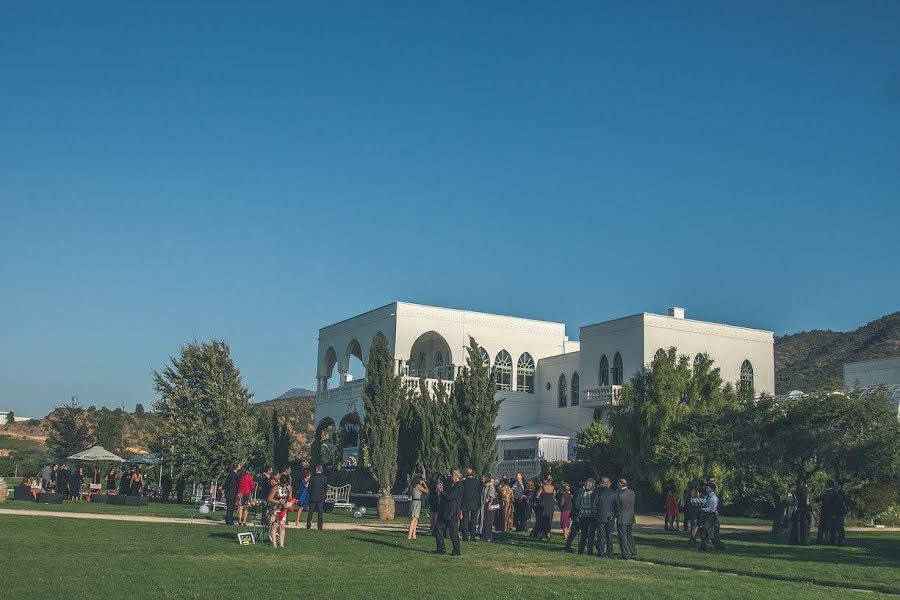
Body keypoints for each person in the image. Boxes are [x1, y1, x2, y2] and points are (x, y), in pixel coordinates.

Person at [434, 469, 463, 556]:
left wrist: (441, 491)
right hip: (447, 511)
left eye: (453, 476)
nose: (451, 477)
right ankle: (441, 548)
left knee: (453, 532)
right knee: (439, 527)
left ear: (457, 476)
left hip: (452, 512)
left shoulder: (459, 486)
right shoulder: (454, 485)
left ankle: (456, 550)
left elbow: (450, 497)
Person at [265, 473, 293, 548]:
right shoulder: (276, 487)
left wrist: (290, 492)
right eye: (283, 483)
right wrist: (278, 502)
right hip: (275, 508)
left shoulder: (288, 487)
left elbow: (290, 498)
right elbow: (269, 498)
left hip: (283, 509)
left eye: (286, 483)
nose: (284, 485)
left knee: (282, 526)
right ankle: (274, 543)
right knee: (275, 525)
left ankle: (281, 543)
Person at [593, 476, 617, 559]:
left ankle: (601, 552)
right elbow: (616, 506)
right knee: (609, 536)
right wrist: (613, 514)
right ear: (608, 483)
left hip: (600, 516)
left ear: (602, 483)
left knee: (601, 536)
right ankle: (610, 553)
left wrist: (595, 514)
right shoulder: (614, 493)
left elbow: (594, 505)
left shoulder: (597, 492)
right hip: (610, 517)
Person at [571, 479, 596, 554]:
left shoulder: (582, 494)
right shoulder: (593, 494)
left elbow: (577, 504)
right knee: (591, 534)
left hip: (583, 514)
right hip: (591, 515)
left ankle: (580, 549)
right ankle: (589, 550)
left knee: (583, 533)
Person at [615, 478, 637, 559]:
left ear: (621, 484)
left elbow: (617, 506)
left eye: (618, 484)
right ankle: (633, 551)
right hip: (630, 517)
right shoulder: (632, 493)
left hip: (622, 517)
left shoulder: (619, 494)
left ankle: (624, 553)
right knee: (629, 535)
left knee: (622, 536)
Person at [699, 483, 724, 551]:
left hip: (711, 516)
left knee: (708, 532)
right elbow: (703, 502)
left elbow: (712, 509)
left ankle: (718, 546)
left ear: (712, 489)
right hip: (706, 515)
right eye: (706, 488)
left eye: (707, 488)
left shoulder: (714, 498)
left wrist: (702, 509)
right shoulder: (706, 496)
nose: (706, 489)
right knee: (705, 532)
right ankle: (703, 546)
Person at [460, 468, 481, 542]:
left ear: (466, 474)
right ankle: (473, 536)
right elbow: (479, 492)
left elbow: (461, 493)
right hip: (474, 503)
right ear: (473, 474)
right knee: (474, 520)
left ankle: (465, 536)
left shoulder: (463, 482)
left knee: (465, 520)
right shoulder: (477, 482)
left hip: (465, 503)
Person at [534, 475, 556, 541]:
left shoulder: (543, 487)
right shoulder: (553, 487)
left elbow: (537, 495)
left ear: (546, 480)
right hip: (551, 504)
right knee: (549, 520)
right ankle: (548, 534)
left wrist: (539, 499)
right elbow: (554, 495)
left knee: (542, 519)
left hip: (543, 504)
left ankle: (540, 534)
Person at [307, 464, 328, 530]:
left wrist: (310, 494)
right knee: (320, 513)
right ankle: (320, 526)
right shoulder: (324, 478)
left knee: (310, 512)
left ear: (316, 469)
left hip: (313, 496)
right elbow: (325, 488)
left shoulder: (312, 477)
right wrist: (324, 495)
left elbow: (309, 488)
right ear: (322, 470)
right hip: (321, 497)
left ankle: (308, 525)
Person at [408, 475, 428, 540]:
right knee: (414, 519)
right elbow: (427, 491)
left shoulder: (412, 486)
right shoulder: (418, 486)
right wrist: (424, 484)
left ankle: (414, 535)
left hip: (413, 502)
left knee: (416, 519)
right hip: (417, 502)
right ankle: (409, 535)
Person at [480, 473, 497, 542]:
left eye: (483, 478)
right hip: (485, 503)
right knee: (485, 519)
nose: (482, 480)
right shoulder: (485, 486)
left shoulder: (491, 486)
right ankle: (484, 534)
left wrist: (490, 504)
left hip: (489, 504)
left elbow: (491, 496)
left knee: (489, 520)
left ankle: (488, 535)